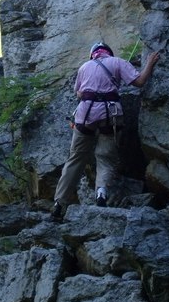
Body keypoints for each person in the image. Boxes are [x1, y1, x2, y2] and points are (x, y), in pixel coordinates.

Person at [51, 42, 161, 220]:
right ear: (108, 53)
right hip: (110, 114)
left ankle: (59, 203)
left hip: (85, 115)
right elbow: (139, 82)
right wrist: (149, 62)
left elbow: (79, 93)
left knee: (75, 159)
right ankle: (101, 193)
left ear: (93, 54)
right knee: (105, 156)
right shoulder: (118, 62)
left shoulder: (84, 67)